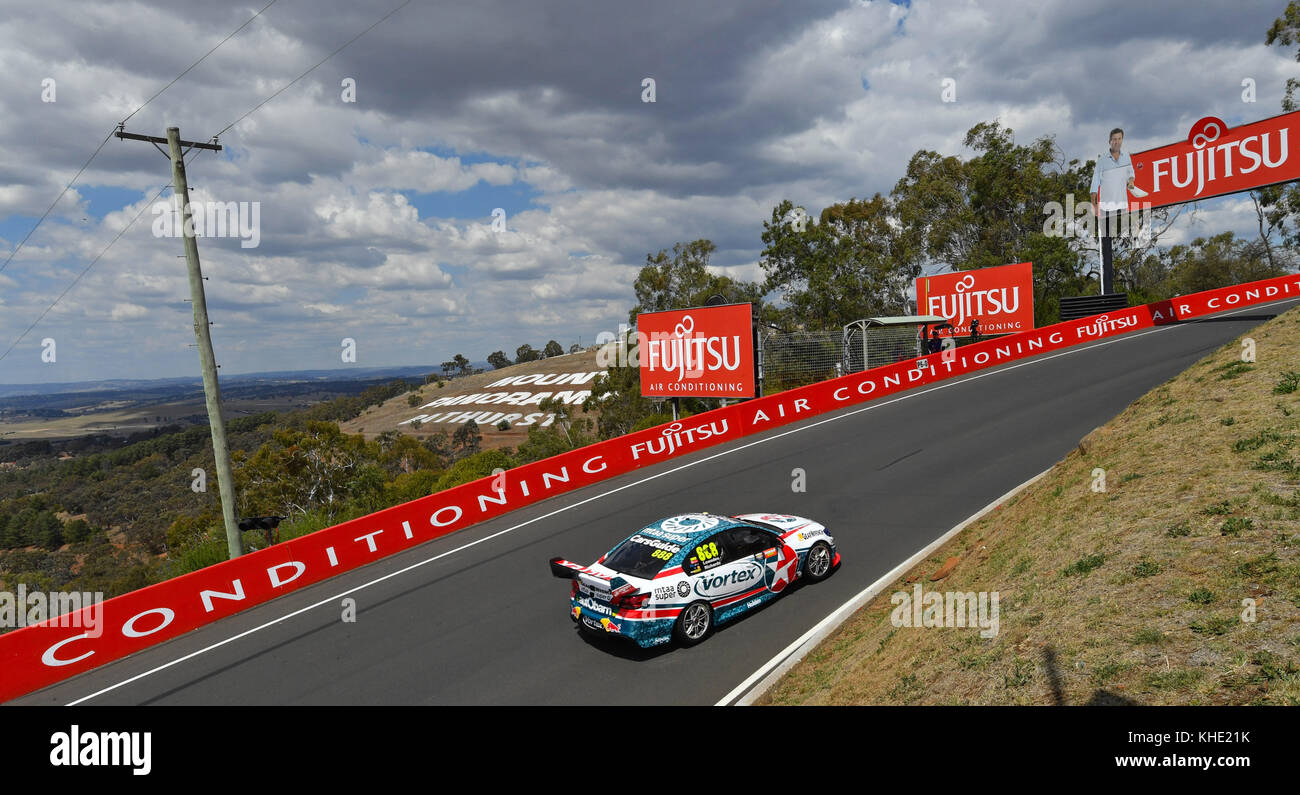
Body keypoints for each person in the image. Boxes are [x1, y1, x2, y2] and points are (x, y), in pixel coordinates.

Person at [1090, 128, 1135, 293]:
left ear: (1122, 140)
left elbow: (1131, 174)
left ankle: (1120, 283)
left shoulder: (1126, 157)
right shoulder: (1102, 161)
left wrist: (1131, 182)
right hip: (1106, 208)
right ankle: (1107, 288)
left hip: (1122, 206)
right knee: (1106, 248)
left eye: (1119, 139)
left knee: (1126, 241)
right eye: (1114, 139)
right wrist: (1094, 205)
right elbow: (1095, 184)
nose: (1117, 141)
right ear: (1109, 141)